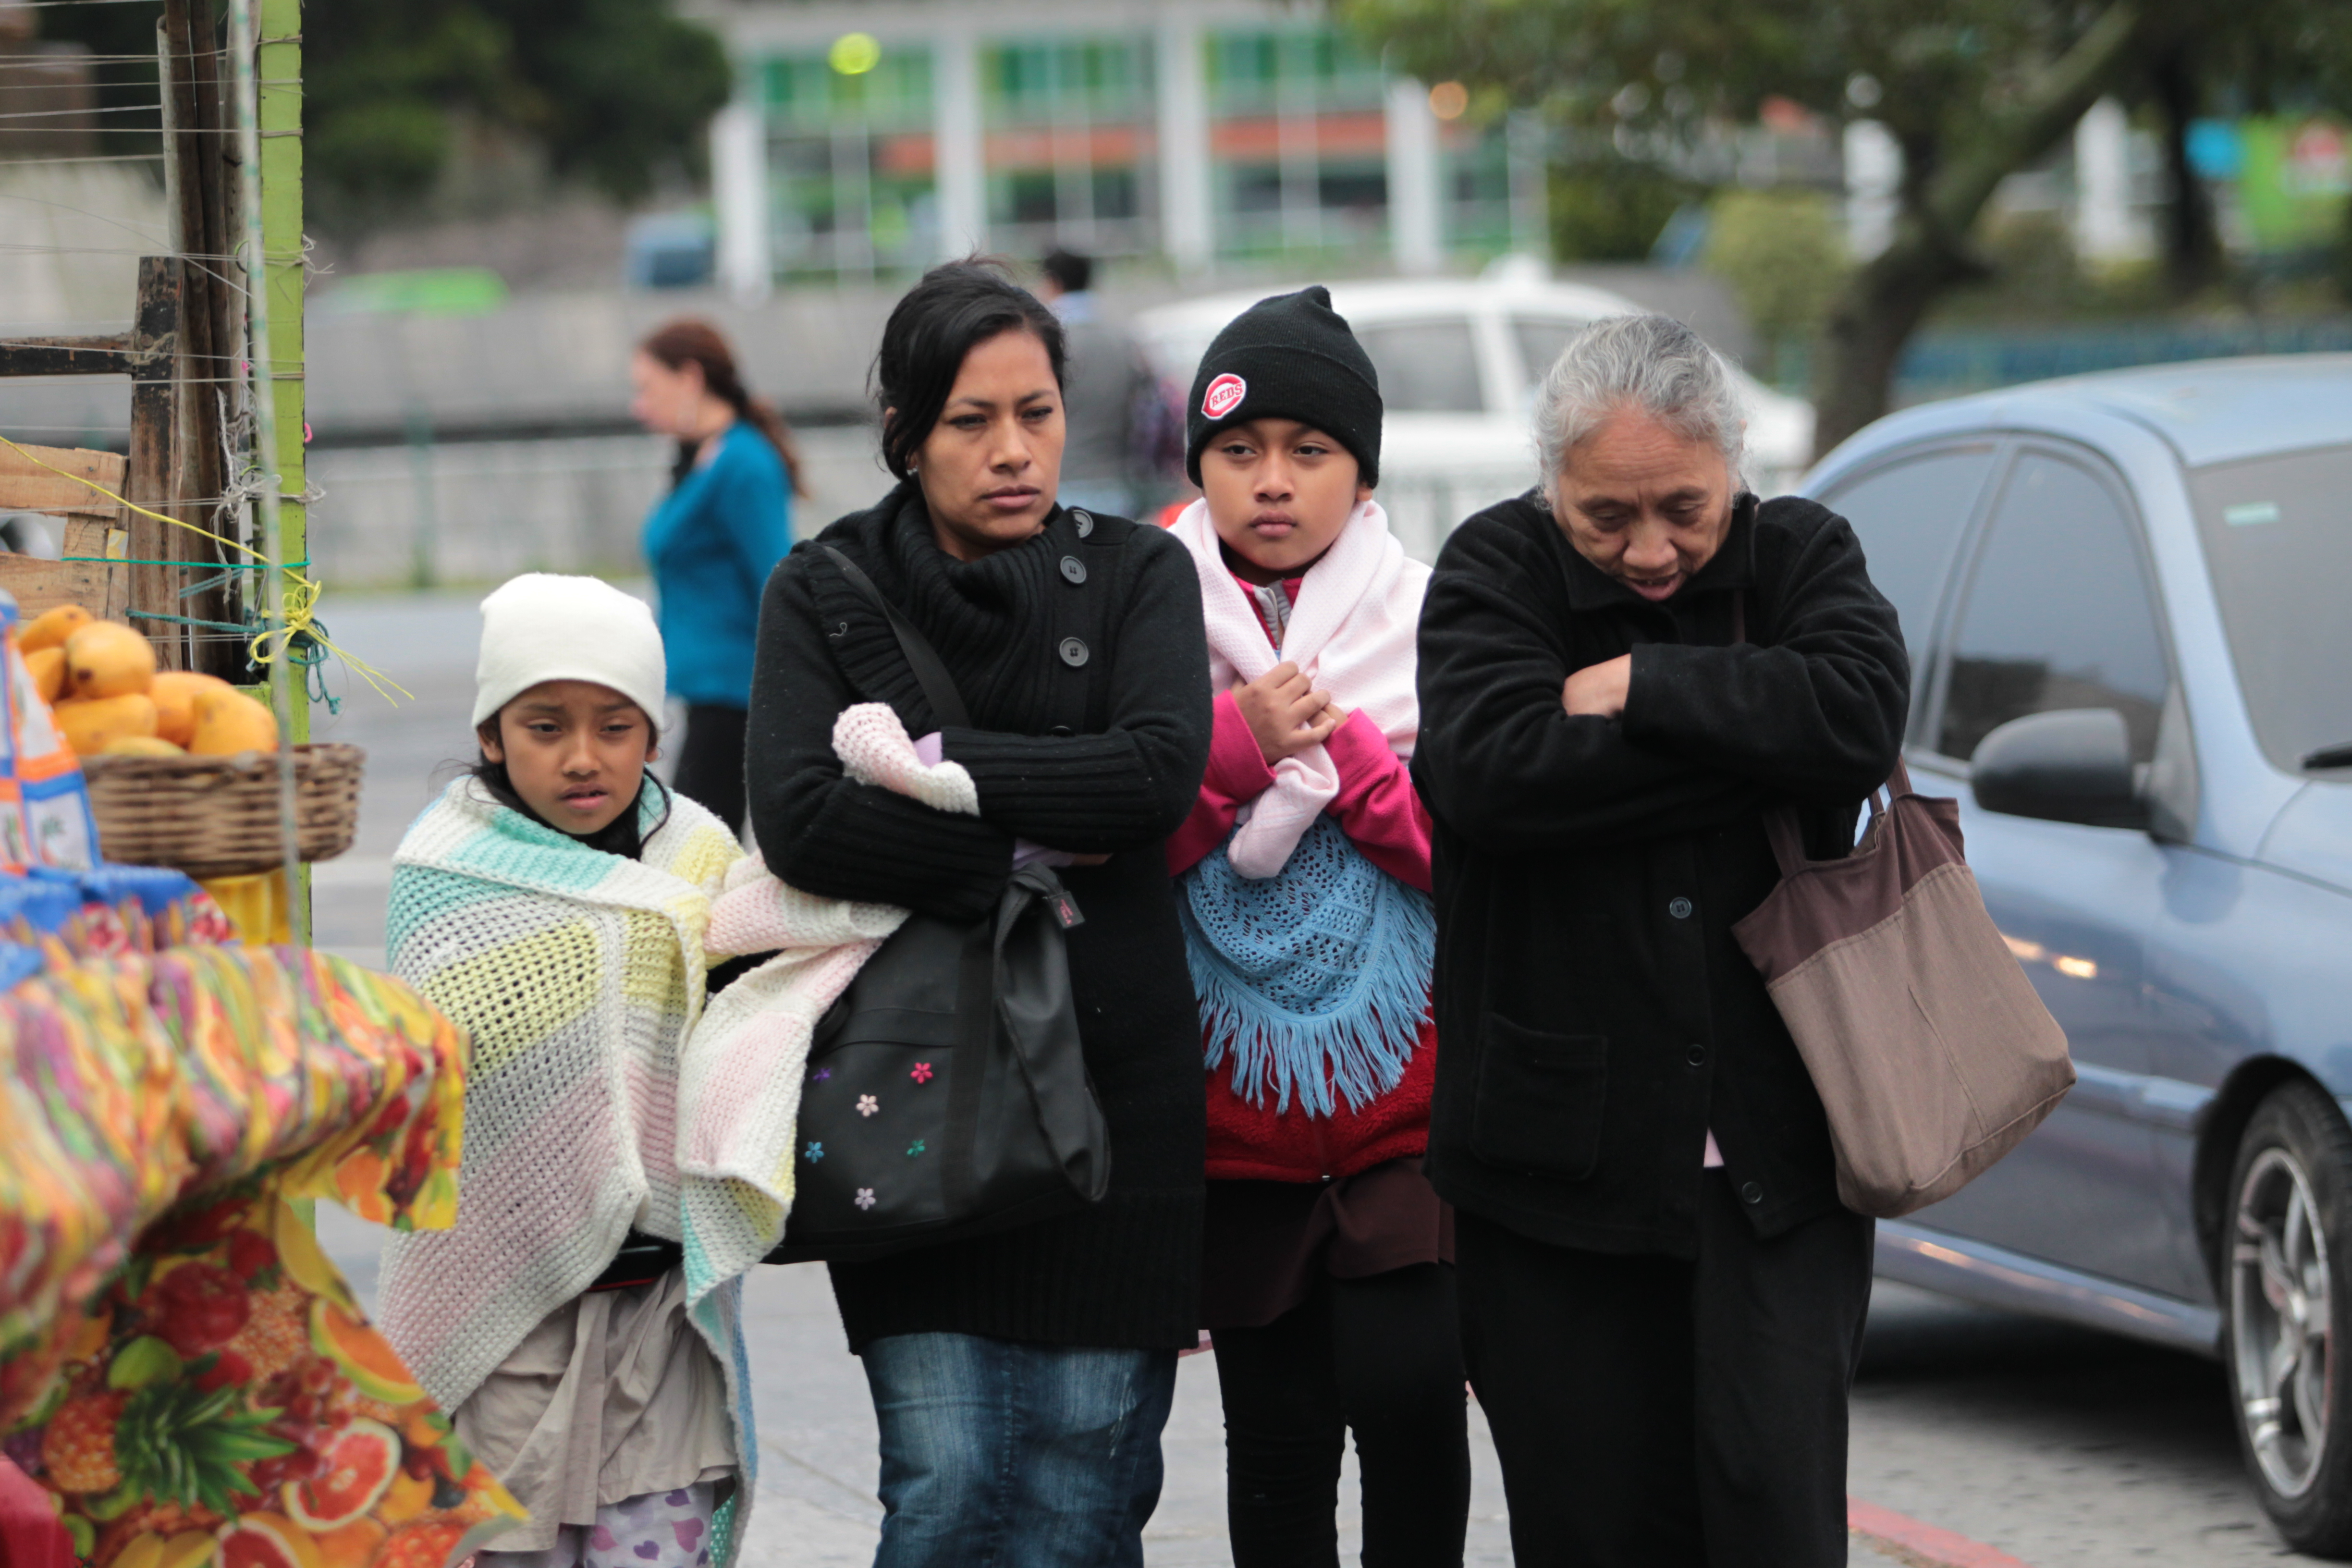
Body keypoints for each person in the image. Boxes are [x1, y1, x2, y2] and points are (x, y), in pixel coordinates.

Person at [1411, 314, 1911, 1567]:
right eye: (1606, 517)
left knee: (1777, 1520)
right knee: (1592, 1530)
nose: (1650, 551)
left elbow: (1854, 716)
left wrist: (1640, 688)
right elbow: (1492, 774)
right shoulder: (1493, 568)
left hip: (1779, 1160)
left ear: (1734, 462)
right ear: (1551, 488)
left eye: (1684, 509)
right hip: (1554, 1171)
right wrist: (1754, 755)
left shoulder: (1803, 554)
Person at [745, 259, 1213, 1566]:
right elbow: (803, 817)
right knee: (946, 1481)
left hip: (1114, 1087)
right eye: (970, 421)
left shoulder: (1138, 576)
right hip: (914, 1088)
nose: (1014, 451)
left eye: (1038, 413)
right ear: (905, 433)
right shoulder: (825, 590)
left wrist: (937, 766)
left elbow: (1156, 776)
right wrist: (1039, 847)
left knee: (1086, 1488)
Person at [1161, 287, 1469, 1567]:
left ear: (1363, 470)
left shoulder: (1433, 617)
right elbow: (1121, 849)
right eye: (1239, 453)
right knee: (1277, 1450)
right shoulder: (1145, 617)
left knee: (1411, 1414)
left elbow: (1474, 860)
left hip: (1407, 1109)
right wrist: (1235, 753)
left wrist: (1346, 762)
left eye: (1310, 451)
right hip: (1239, 1127)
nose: (1271, 483)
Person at [376, 574, 758, 1568]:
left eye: (615, 726)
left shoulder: (703, 860)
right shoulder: (444, 875)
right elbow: (428, 1106)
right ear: (494, 735)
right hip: (508, 1327)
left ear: (654, 736)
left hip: (658, 1321)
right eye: (545, 727)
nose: (583, 759)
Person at [632, 319, 801, 835]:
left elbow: (777, 578)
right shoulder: (704, 458)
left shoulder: (743, 463)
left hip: (736, 693)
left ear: (689, 378)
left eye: (646, 388)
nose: (638, 406)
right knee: (693, 842)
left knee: (694, 848)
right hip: (708, 692)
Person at [1034, 248, 1162, 520]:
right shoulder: (1124, 339)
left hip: (1059, 483)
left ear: (1053, 282)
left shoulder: (1045, 345)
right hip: (1119, 486)